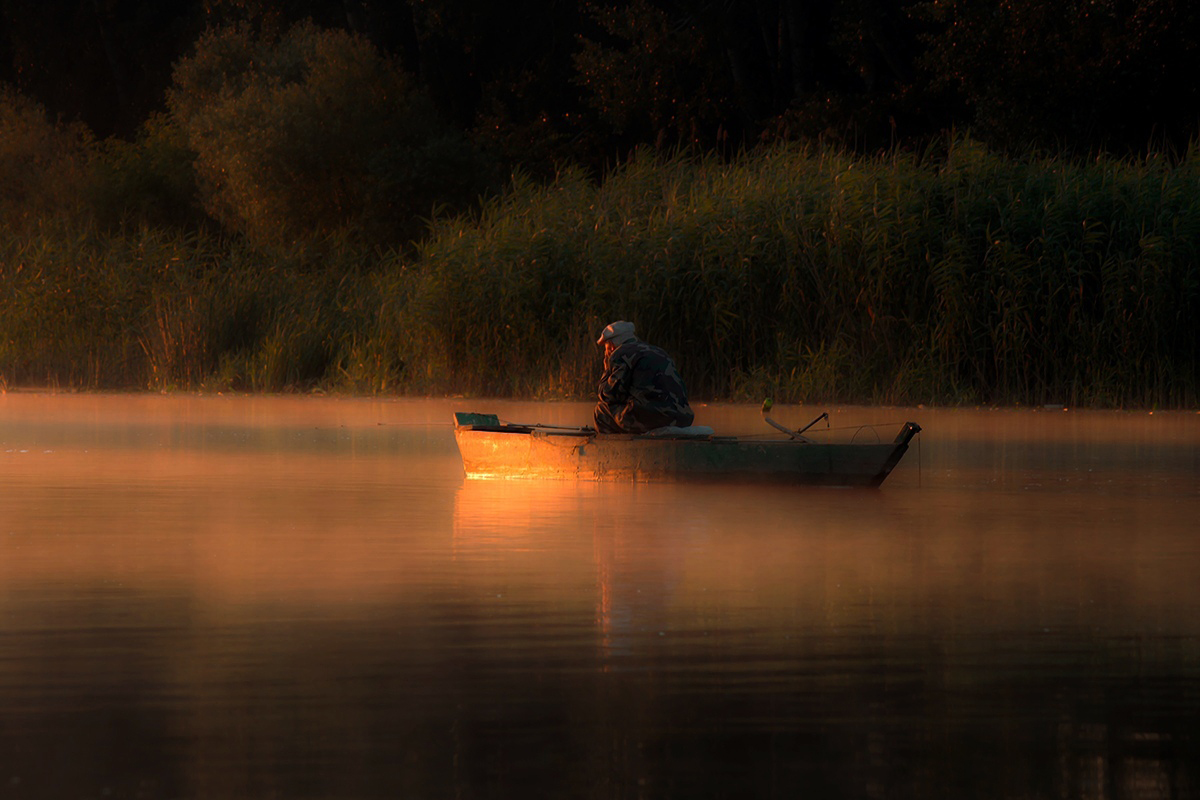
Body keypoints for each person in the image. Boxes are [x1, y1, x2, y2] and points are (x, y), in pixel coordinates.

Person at [593, 321, 695, 434]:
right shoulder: (659, 351)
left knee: (601, 410)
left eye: (605, 348)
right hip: (683, 418)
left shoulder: (620, 354)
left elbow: (609, 395)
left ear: (611, 346)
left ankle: (618, 449)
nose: (605, 352)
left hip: (655, 418)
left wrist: (607, 369)